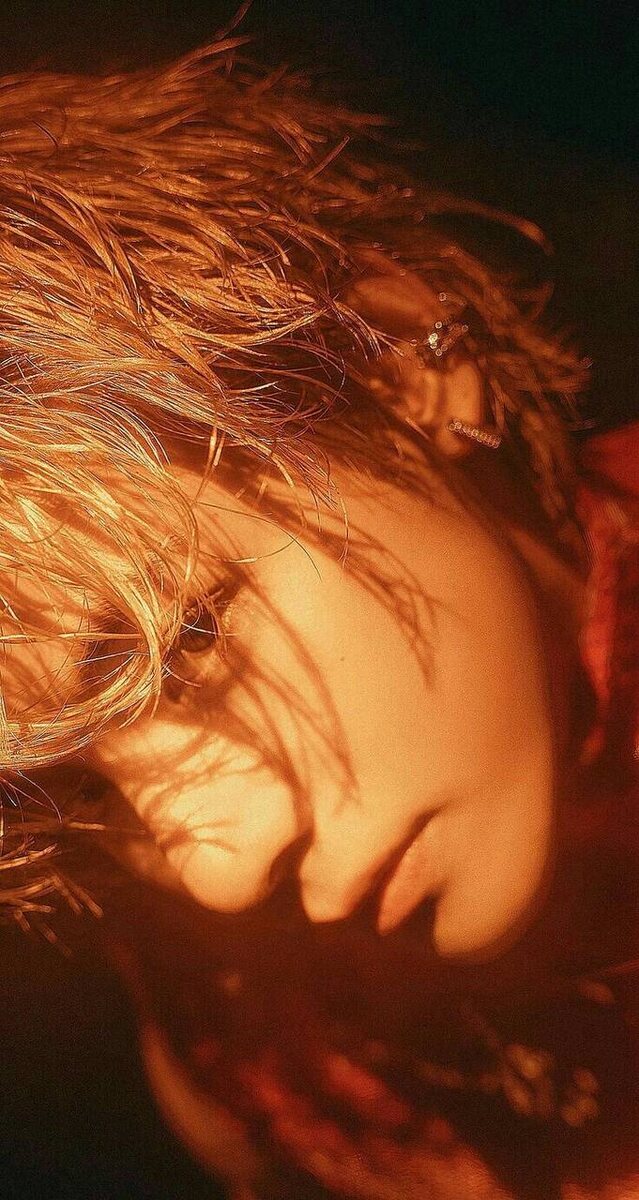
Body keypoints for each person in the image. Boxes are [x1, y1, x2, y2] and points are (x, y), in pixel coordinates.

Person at [0, 34, 637, 1200]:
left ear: (393, 363)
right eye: (86, 798)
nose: (218, 869)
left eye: (188, 644)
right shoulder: (248, 1034)